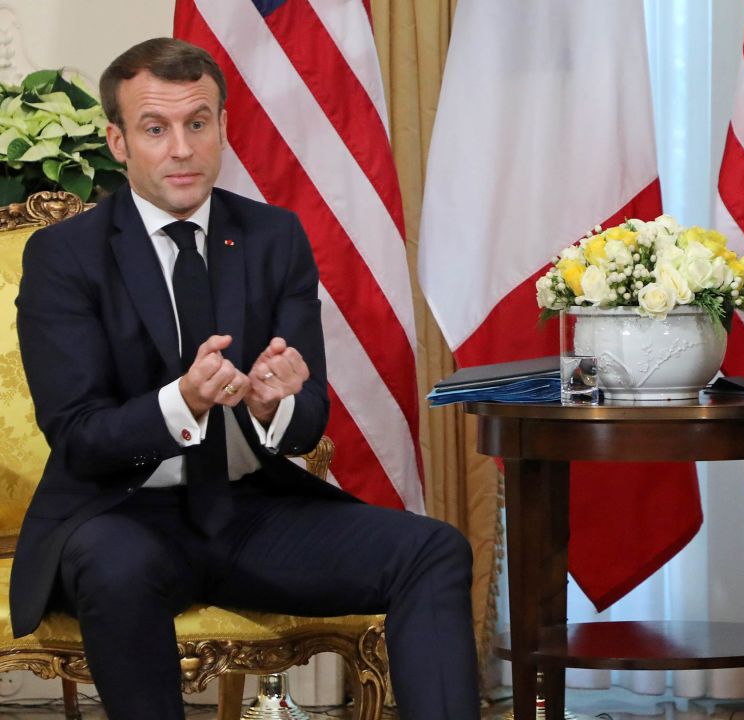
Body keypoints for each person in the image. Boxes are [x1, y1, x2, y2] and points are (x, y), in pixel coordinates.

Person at [9, 37, 479, 719]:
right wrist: (183, 402)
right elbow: (79, 437)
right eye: (155, 128)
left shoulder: (272, 235)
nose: (181, 148)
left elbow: (309, 415)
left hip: (248, 510)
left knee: (433, 549)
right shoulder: (65, 256)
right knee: (117, 568)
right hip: (117, 514)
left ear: (223, 127)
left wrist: (272, 407)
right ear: (118, 141)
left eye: (198, 123)